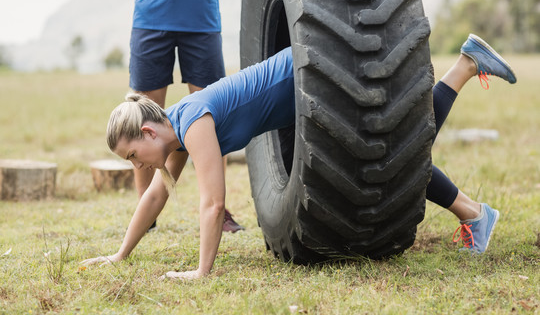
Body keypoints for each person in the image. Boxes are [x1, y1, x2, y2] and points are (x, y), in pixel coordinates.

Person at [81, 34, 516, 279]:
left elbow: (213, 204)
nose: (138, 166)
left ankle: (475, 209)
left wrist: (201, 272)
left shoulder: (193, 123)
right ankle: (473, 207)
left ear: (147, 131)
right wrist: (121, 255)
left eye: (135, 155)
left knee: (396, 151)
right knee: (396, 150)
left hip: (316, 72)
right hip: (308, 83)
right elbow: (156, 197)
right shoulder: (174, 135)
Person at [111, 0, 243, 232]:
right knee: (141, 120)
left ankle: (218, 211)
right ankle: (146, 217)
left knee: (214, 117)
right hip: (151, 18)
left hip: (202, 19)